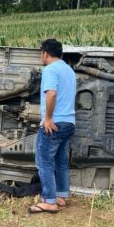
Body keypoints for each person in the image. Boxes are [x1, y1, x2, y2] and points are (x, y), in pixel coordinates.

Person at [29, 39, 77, 214]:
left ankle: (49, 201)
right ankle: (61, 196)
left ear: (45, 53)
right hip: (69, 122)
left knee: (44, 161)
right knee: (61, 161)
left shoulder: (50, 69)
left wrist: (48, 118)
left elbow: (51, 93)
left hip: (54, 123)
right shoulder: (69, 70)